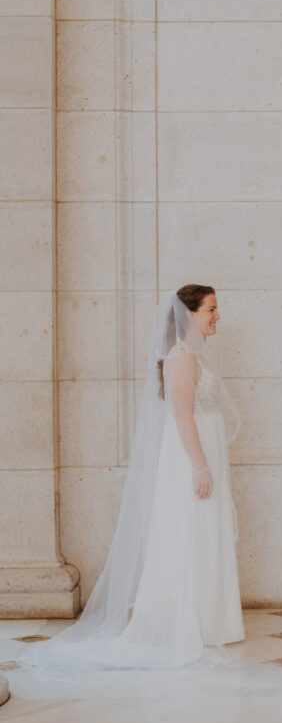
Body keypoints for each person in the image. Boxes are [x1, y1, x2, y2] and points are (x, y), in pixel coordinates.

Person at [28, 285, 244, 679]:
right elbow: (182, 417)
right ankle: (182, 620)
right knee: (187, 531)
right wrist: (200, 466)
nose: (217, 317)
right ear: (189, 314)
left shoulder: (197, 354)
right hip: (189, 457)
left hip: (205, 451)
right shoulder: (180, 358)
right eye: (211, 309)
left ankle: (213, 620)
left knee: (205, 531)